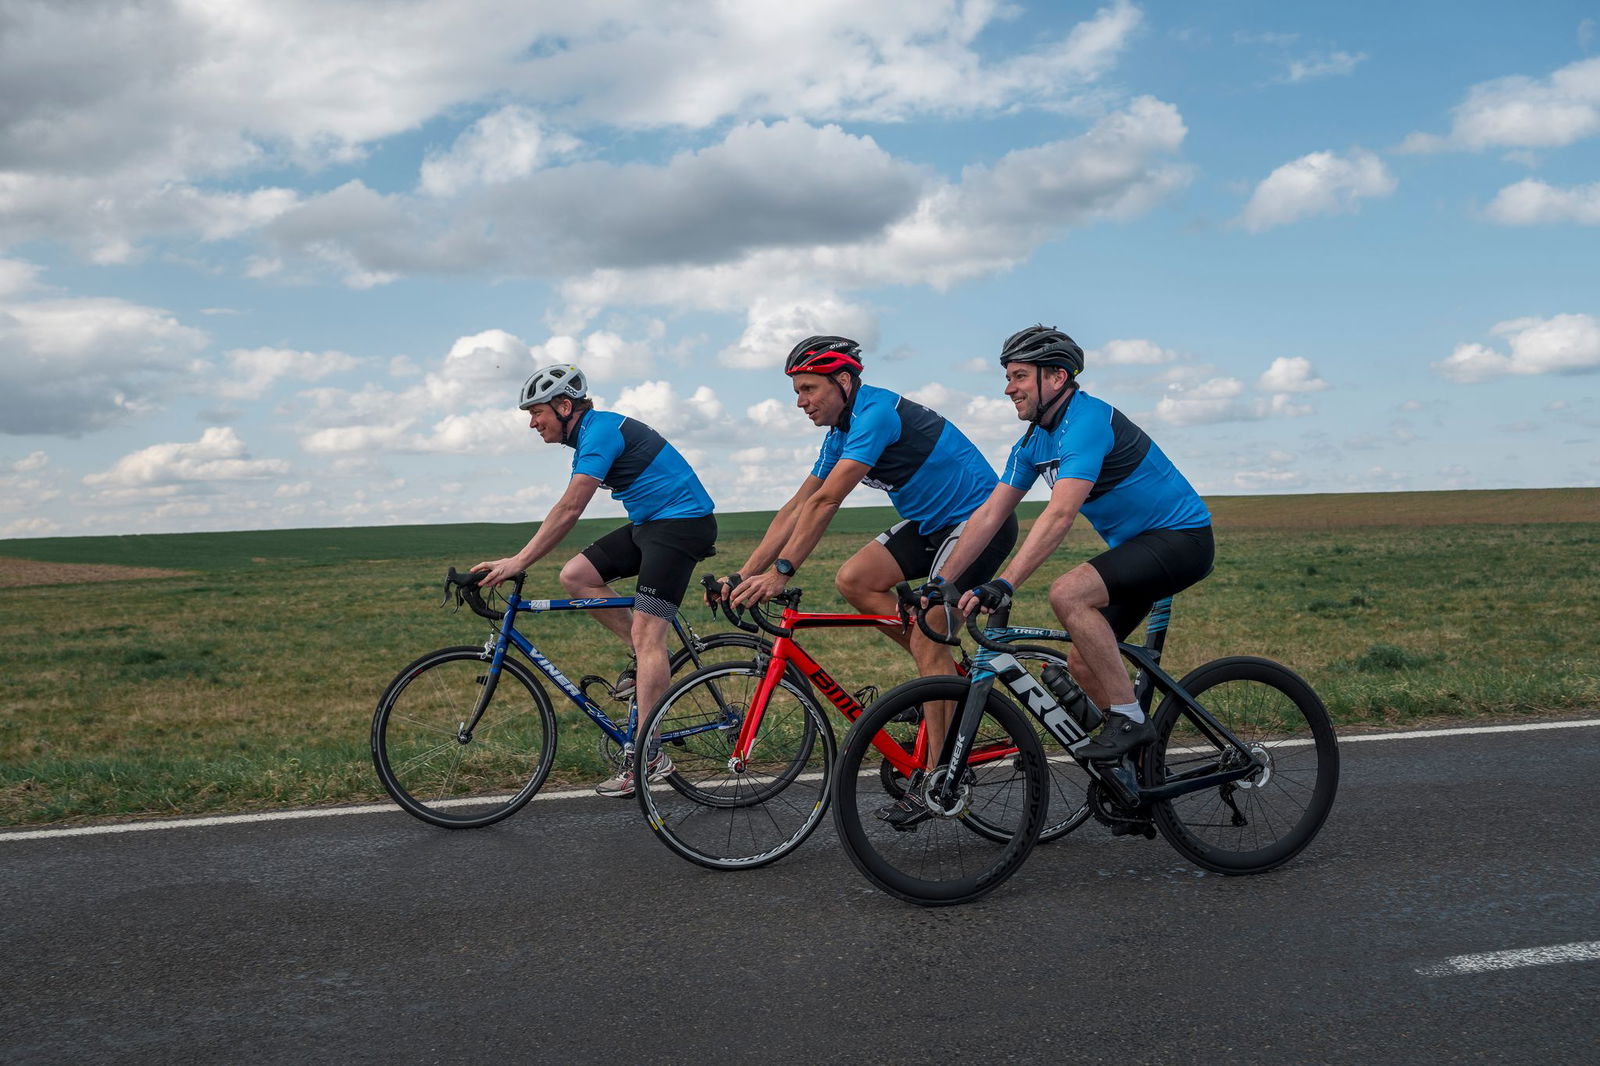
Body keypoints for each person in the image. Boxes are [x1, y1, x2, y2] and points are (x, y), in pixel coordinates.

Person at [720, 335, 1018, 818]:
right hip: (932, 525)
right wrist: (745, 573)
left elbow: (826, 501)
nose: (801, 402)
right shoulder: (840, 431)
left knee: (927, 638)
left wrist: (782, 571)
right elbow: (798, 505)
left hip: (979, 522)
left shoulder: (875, 414)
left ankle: (938, 778)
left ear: (843, 381)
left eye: (809, 389)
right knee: (855, 580)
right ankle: (942, 675)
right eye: (797, 391)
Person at [929, 324, 1214, 765]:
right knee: (1082, 664)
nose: (1009, 389)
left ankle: (1130, 720)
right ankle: (1136, 774)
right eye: (1008, 377)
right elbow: (990, 514)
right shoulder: (1033, 441)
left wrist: (1005, 583)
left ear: (1057, 377)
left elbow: (1060, 514)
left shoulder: (1087, 422)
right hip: (1137, 549)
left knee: (1068, 593)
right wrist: (941, 582)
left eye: (1019, 376)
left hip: (1182, 539)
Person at [474, 363, 718, 798]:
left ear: (565, 406)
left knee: (648, 635)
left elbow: (570, 508)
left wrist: (518, 561)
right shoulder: (589, 435)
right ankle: (647, 659)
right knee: (576, 576)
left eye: (537, 412)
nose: (532, 423)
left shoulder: (601, 431)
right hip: (650, 524)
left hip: (682, 525)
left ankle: (649, 752)